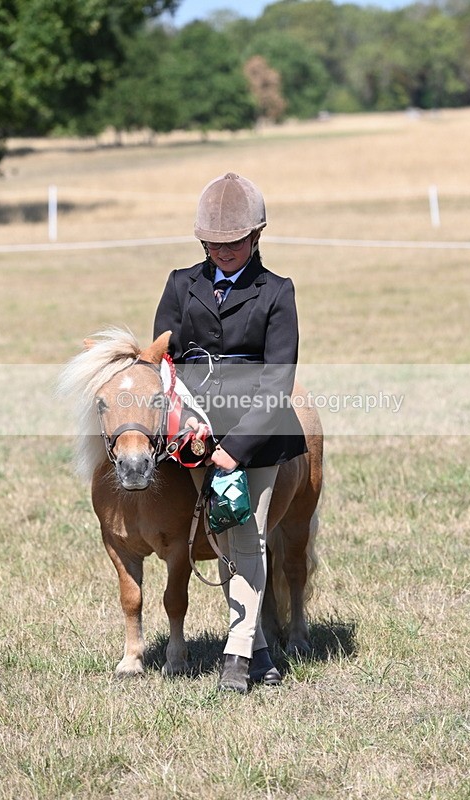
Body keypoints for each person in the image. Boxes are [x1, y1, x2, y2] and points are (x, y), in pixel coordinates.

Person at [153, 172, 307, 693]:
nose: (223, 251)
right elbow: (164, 362)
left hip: (259, 435)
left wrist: (235, 449)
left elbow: (277, 380)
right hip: (192, 435)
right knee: (223, 537)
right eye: (214, 243)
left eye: (234, 242)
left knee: (248, 533)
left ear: (256, 236)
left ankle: (237, 657)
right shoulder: (180, 284)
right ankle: (263, 655)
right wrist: (187, 425)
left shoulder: (278, 293)